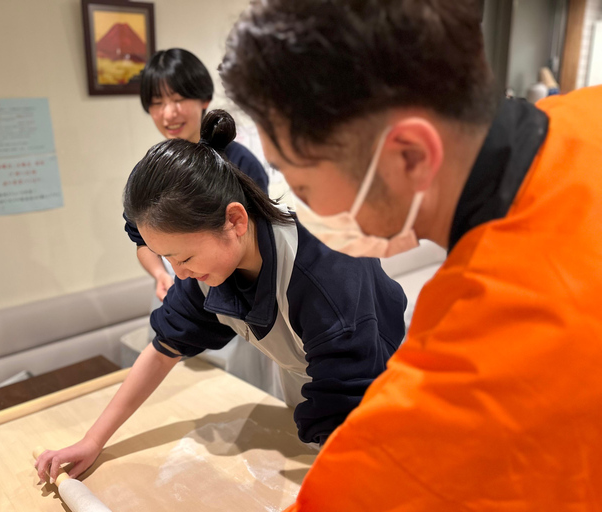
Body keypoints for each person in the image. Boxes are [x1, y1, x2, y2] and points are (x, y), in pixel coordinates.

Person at [219, 0, 602, 510]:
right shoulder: (585, 112)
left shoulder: (489, 347)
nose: (296, 203)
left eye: (303, 182)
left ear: (410, 156)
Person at [35, 110, 407, 485]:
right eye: (168, 259)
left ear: (235, 220)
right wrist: (92, 440)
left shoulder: (326, 269)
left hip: (389, 399)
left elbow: (348, 406)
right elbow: (164, 347)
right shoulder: (210, 269)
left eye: (185, 258)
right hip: (317, 403)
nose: (178, 273)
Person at [129, 48, 268, 302]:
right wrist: (161, 274)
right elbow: (141, 240)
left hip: (232, 298)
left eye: (178, 99)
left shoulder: (240, 163)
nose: (169, 113)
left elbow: (259, 241)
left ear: (204, 99)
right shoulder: (149, 173)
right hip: (176, 295)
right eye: (157, 103)